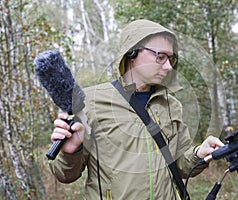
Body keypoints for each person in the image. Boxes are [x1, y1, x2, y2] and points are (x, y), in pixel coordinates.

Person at [49, 19, 224, 200]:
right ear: (131, 53)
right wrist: (71, 153)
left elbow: (180, 165)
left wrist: (199, 153)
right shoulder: (90, 102)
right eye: (160, 56)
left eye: (171, 58)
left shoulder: (171, 105)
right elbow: (65, 175)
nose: (168, 66)